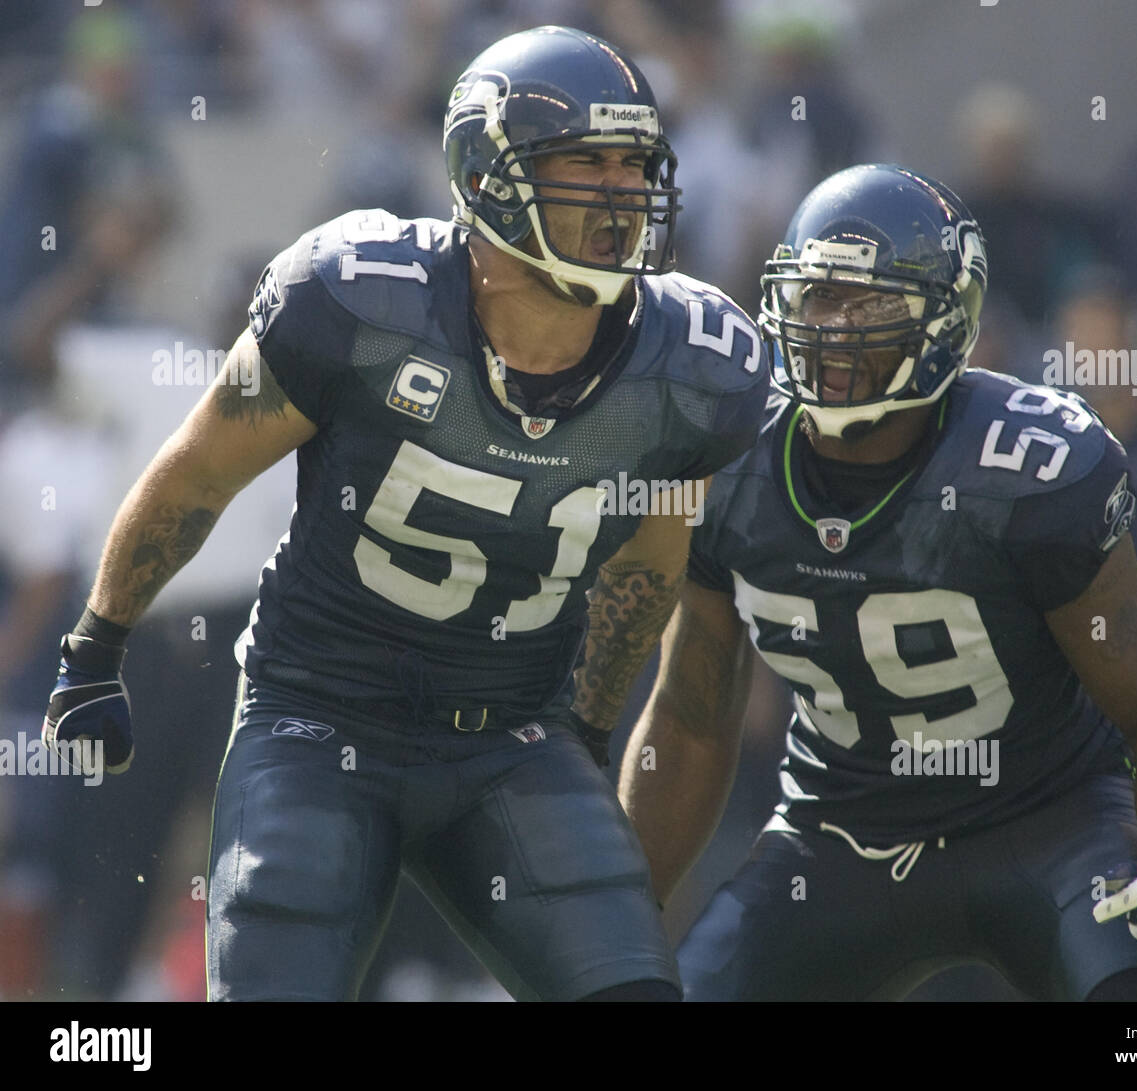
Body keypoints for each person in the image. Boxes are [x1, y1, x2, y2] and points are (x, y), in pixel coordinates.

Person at [41, 25, 768, 1002]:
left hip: (514, 739)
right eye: (581, 163)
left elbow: (646, 564)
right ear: (487, 174)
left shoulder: (691, 362)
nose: (619, 192)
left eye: (632, 163)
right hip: (316, 719)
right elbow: (196, 475)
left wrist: (588, 734)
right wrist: (96, 647)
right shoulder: (362, 301)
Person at [619, 164, 1137, 1001]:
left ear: (943, 322)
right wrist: (614, 915)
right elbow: (689, 719)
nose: (831, 329)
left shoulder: (1027, 467)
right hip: (836, 833)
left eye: (866, 305)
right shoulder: (726, 459)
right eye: (817, 298)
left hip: (1047, 821)